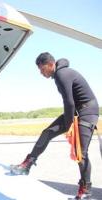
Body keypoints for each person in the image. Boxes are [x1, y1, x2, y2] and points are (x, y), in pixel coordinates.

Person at [10, 52, 99, 200]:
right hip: (76, 111)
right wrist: (69, 122)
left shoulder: (61, 74)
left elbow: (69, 102)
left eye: (42, 69)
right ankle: (27, 164)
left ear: (51, 64)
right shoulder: (60, 73)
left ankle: (86, 191)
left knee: (80, 153)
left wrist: (69, 124)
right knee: (47, 132)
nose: (41, 73)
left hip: (87, 112)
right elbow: (70, 104)